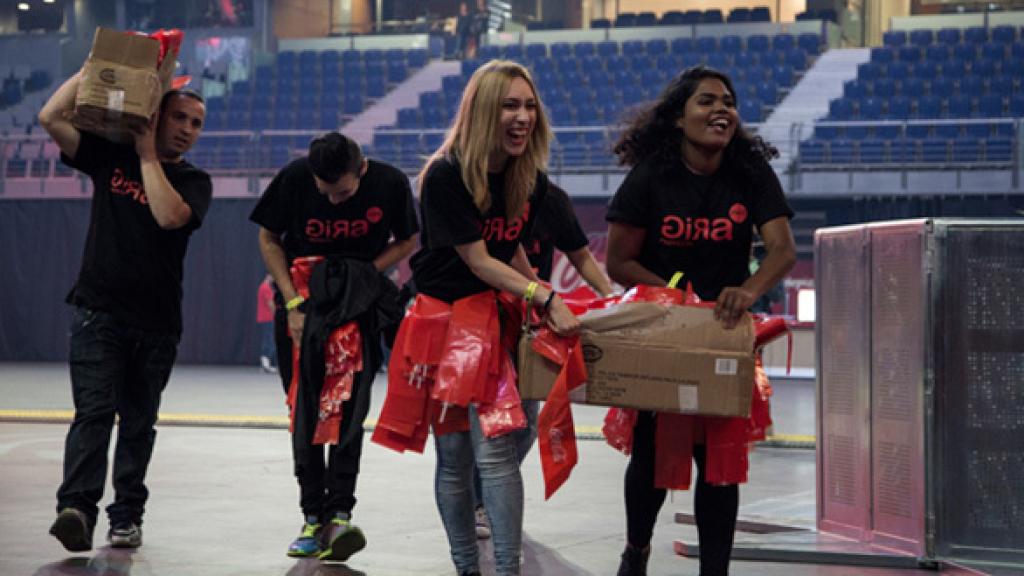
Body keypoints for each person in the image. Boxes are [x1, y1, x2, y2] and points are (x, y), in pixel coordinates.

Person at [604, 65, 796, 576]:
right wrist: (674, 297)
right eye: (707, 101)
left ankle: (716, 570)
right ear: (678, 118)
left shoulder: (750, 172)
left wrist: (748, 290)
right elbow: (618, 262)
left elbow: (782, 250)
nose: (722, 110)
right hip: (663, 327)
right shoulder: (650, 175)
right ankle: (636, 551)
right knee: (649, 452)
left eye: (729, 102)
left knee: (720, 463)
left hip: (724, 332)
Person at [398, 59, 578, 576]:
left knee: (504, 445)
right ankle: (466, 568)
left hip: (498, 321)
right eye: (509, 105)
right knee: (456, 456)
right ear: (481, 112)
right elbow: (477, 260)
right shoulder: (447, 174)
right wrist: (544, 298)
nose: (523, 116)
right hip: (447, 326)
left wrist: (536, 294)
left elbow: (509, 244)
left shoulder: (526, 175)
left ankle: (507, 569)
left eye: (528, 105)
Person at [39, 71, 212, 552]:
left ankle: (126, 516)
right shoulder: (110, 158)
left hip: (156, 325)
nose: (187, 129)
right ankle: (76, 509)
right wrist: (96, 66)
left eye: (196, 123)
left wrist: (148, 156)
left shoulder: (194, 181)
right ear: (155, 117)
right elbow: (50, 116)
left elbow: (167, 216)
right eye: (178, 117)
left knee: (138, 424)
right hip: (98, 313)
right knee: (93, 414)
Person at [249, 131, 418, 562]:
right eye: (326, 194)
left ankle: (340, 514)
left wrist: (362, 276)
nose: (335, 202)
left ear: (361, 170)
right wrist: (291, 303)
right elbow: (269, 238)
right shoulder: (293, 179)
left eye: (343, 193)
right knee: (303, 412)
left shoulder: (390, 183)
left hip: (357, 307)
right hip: (303, 303)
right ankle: (311, 518)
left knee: (349, 412)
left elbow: (407, 241)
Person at [473, 182, 613, 539]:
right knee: (481, 422)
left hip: (530, 318)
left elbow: (580, 255)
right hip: (479, 317)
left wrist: (611, 297)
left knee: (526, 423)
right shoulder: (479, 192)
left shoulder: (548, 199)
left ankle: (485, 497)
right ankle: (478, 502)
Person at [257, 274, 278, 373]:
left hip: (265, 318)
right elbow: (270, 303)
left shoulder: (264, 287)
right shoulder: (266, 288)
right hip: (268, 318)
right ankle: (266, 361)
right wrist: (276, 315)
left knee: (269, 339)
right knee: (269, 340)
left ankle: (266, 362)